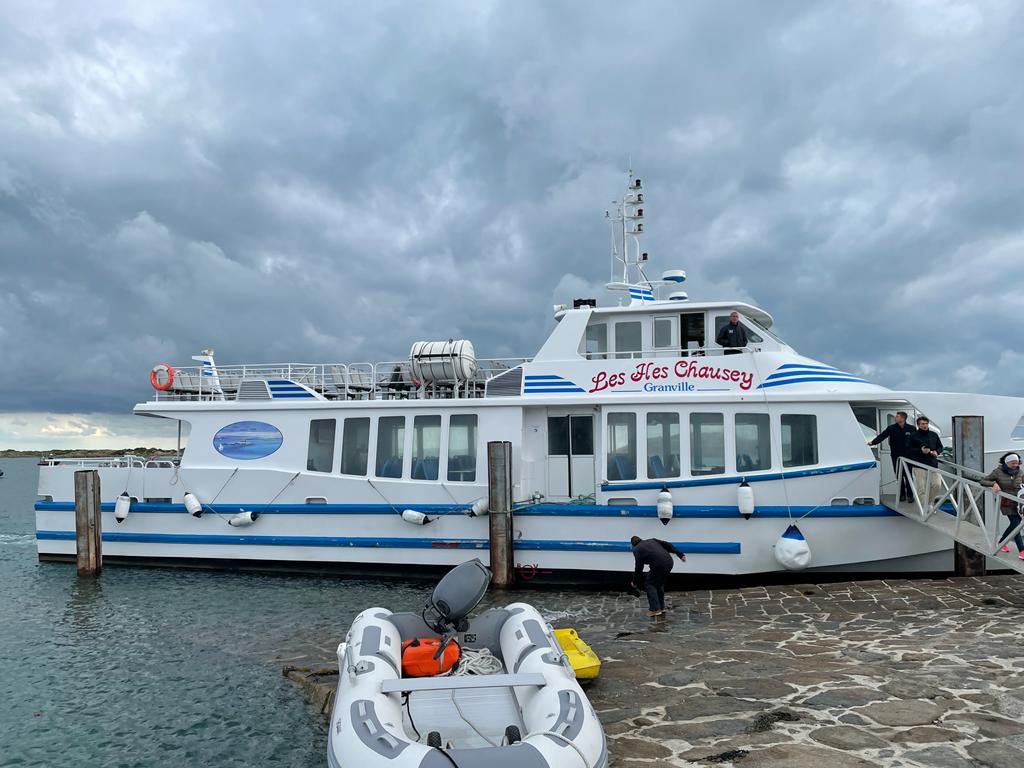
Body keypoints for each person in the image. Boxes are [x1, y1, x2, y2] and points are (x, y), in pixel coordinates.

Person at [980, 453, 1024, 558]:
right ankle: (1022, 550)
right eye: (1013, 463)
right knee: (1017, 525)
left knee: (1015, 525)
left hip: (1018, 503)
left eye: (1017, 463)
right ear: (1006, 462)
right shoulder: (997, 472)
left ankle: (1001, 542)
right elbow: (983, 480)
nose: (1015, 465)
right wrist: (993, 484)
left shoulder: (1020, 472)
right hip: (1006, 502)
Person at [630, 535, 685, 617]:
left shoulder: (637, 550)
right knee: (659, 583)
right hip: (669, 561)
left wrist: (634, 582)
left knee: (649, 583)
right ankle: (661, 607)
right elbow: (667, 544)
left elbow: (638, 567)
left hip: (658, 565)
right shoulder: (652, 540)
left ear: (633, 544)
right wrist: (680, 554)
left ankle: (655, 609)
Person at [868, 411, 916, 501]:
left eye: (897, 416)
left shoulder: (912, 428)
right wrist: (873, 442)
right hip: (896, 455)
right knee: (899, 475)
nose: (895, 418)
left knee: (908, 475)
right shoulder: (891, 428)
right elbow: (882, 436)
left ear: (903, 418)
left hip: (909, 456)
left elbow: (916, 441)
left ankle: (910, 496)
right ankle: (902, 495)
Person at [906, 416, 943, 504]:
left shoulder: (934, 435)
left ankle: (928, 503)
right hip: (919, 465)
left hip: (933, 464)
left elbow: (940, 447)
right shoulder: (913, 436)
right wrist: (920, 450)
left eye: (926, 423)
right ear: (918, 425)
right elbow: (908, 450)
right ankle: (925, 508)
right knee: (921, 489)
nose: (925, 425)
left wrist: (936, 452)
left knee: (937, 485)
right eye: (922, 424)